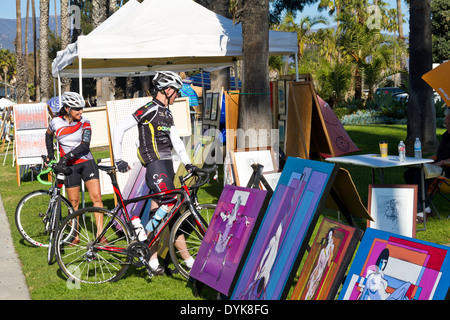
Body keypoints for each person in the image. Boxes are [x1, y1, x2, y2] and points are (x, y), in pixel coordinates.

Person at [112, 71, 199, 275]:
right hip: (154, 164)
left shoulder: (167, 113)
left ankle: (154, 260)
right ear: (167, 90)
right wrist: (118, 159)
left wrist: (187, 164)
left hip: (166, 164)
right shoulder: (149, 109)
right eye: (176, 91)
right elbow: (119, 129)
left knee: (165, 216)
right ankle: (141, 230)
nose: (177, 95)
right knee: (170, 205)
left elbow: (176, 140)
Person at [45, 91, 104, 245]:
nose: (81, 111)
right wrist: (50, 154)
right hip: (70, 168)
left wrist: (65, 157)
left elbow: (85, 146)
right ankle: (75, 235)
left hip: (86, 162)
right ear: (67, 109)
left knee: (96, 197)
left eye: (81, 108)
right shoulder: (56, 122)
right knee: (73, 202)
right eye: (77, 109)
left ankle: (100, 234)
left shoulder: (85, 121)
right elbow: (48, 134)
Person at [404, 107, 450, 218]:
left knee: (421, 174)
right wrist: (427, 160)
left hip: (447, 170)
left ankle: (420, 212)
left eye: (449, 123)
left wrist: (442, 162)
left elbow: (443, 159)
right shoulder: (446, 135)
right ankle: (424, 207)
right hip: (438, 166)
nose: (447, 126)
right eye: (446, 123)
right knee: (409, 173)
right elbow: (440, 155)